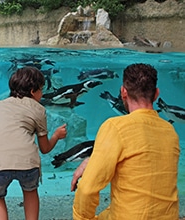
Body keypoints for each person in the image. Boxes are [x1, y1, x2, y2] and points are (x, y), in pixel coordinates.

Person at [71, 63, 180, 220]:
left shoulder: (115, 127)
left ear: (123, 92)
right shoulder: (170, 131)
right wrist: (93, 161)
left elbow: (87, 190)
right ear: (156, 94)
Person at [0, 66, 67, 220]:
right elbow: (45, 148)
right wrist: (56, 135)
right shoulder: (39, 109)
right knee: (30, 192)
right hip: (27, 164)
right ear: (33, 91)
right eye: (41, 90)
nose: (42, 94)